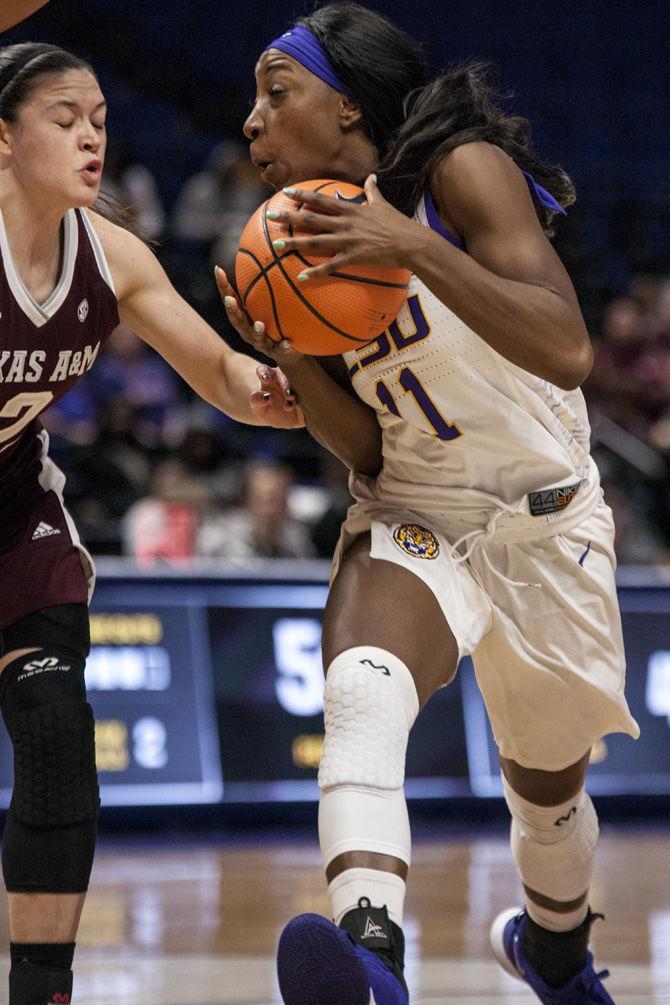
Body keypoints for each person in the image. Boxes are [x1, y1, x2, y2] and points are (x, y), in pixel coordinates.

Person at [218, 5, 639, 1004]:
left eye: (277, 95)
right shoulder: (295, 240)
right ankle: (370, 957)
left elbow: (566, 347)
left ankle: (553, 952)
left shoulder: (462, 169)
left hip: (546, 522)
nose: (252, 122)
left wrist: (406, 244)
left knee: (547, 794)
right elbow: (365, 445)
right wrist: (291, 356)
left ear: (348, 104)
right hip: (416, 507)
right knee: (362, 683)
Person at [0, 41, 302, 1005]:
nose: (92, 136)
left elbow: (217, 374)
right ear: (2, 136)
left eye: (99, 117)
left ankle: (42, 988)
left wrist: (273, 386)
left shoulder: (112, 255)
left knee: (55, 734)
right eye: (63, 117)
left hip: (13, 511)